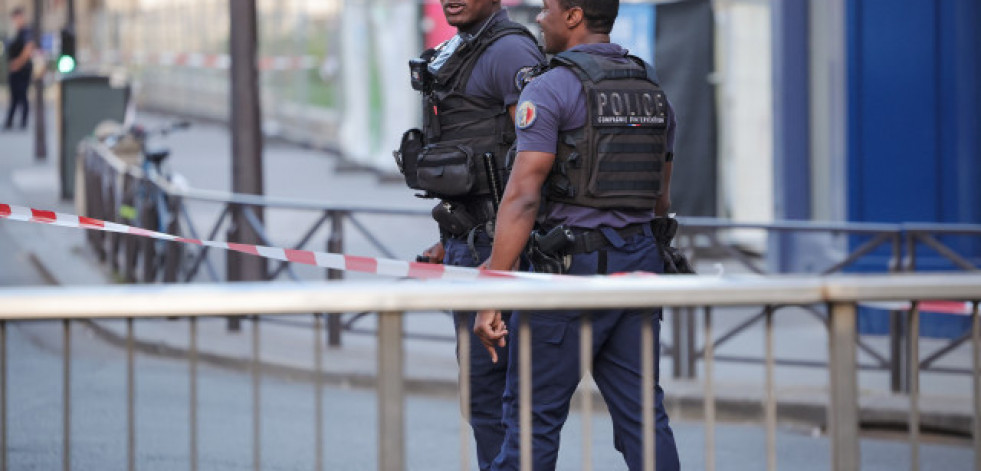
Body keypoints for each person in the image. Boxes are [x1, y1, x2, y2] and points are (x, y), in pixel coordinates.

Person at [473, 0, 682, 467]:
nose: (539, 19)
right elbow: (660, 201)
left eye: (547, 9)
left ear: (574, 16)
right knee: (644, 418)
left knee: (532, 417)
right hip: (638, 272)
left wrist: (492, 294)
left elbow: (524, 197)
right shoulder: (653, 92)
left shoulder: (551, 89)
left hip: (565, 278)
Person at [393, 0, 544, 468]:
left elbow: (536, 162)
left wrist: (504, 260)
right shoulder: (460, 49)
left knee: (505, 407)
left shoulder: (510, 52)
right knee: (482, 405)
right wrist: (448, 240)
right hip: (469, 248)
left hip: (499, 259)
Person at [4, 7, 33, 130]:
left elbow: (28, 49)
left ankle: (23, 122)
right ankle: (10, 121)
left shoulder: (26, 32)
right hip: (14, 69)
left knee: (22, 96)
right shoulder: (16, 32)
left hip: (22, 69)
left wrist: (18, 63)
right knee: (14, 97)